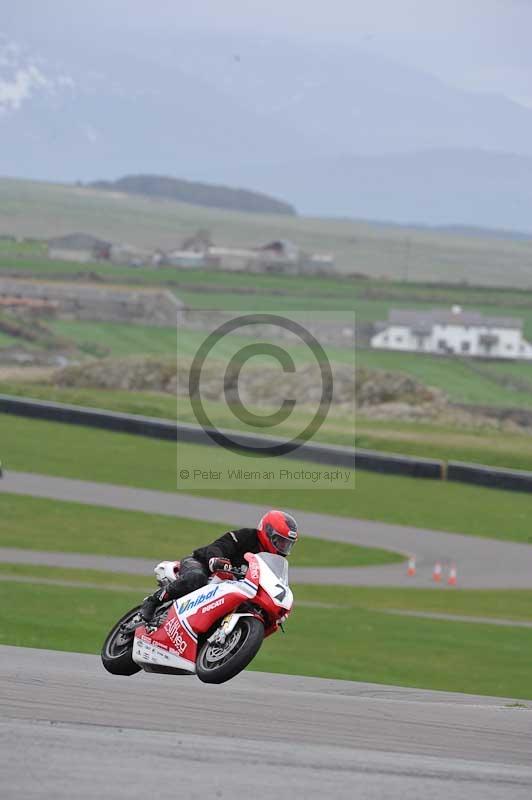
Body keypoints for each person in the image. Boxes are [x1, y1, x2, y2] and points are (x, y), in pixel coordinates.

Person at [140, 510, 299, 624]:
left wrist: (278, 608)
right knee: (196, 578)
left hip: (229, 588)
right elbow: (219, 546)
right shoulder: (246, 536)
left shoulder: (272, 561)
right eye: (280, 541)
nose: (283, 547)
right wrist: (216, 559)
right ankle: (153, 601)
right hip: (202, 565)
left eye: (287, 544)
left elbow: (273, 584)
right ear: (268, 532)